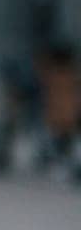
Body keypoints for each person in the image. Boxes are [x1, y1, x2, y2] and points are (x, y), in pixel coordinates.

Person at [37, 41, 79, 183]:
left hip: (58, 114)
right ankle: (66, 166)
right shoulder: (72, 73)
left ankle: (64, 166)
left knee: (60, 143)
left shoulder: (53, 73)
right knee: (65, 143)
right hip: (67, 114)